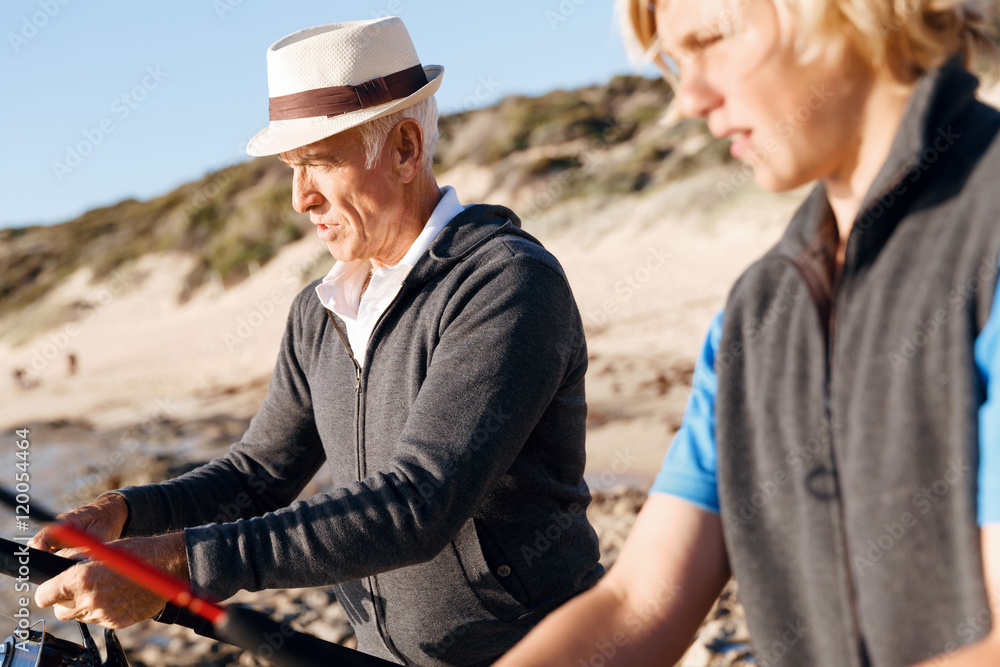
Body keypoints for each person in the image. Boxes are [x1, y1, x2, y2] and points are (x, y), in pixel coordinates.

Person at [30, 17, 602, 666]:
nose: (300, 197)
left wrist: (180, 560)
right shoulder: (319, 311)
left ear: (406, 148)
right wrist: (127, 514)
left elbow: (418, 501)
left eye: (320, 162)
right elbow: (258, 474)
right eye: (292, 168)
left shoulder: (505, 284)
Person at [497, 1, 1000, 666]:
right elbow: (639, 603)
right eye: (678, 63)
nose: (690, 100)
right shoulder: (757, 312)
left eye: (713, 39)